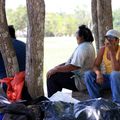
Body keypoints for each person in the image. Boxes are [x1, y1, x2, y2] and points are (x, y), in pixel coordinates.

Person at [47, 25, 95, 97]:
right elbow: (70, 63)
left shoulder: (83, 48)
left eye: (77, 34)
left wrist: (56, 69)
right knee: (57, 74)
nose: (76, 36)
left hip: (80, 81)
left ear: (81, 36)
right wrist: (57, 67)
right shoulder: (87, 45)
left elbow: (73, 66)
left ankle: (53, 104)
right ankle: (57, 101)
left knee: (52, 77)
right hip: (79, 77)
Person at [84, 29, 120, 103]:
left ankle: (117, 103)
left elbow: (116, 69)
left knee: (114, 74)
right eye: (107, 38)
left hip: (117, 80)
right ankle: (96, 101)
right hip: (108, 79)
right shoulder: (103, 49)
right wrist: (98, 73)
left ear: (117, 41)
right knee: (88, 74)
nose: (109, 41)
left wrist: (112, 51)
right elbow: (95, 65)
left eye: (111, 39)